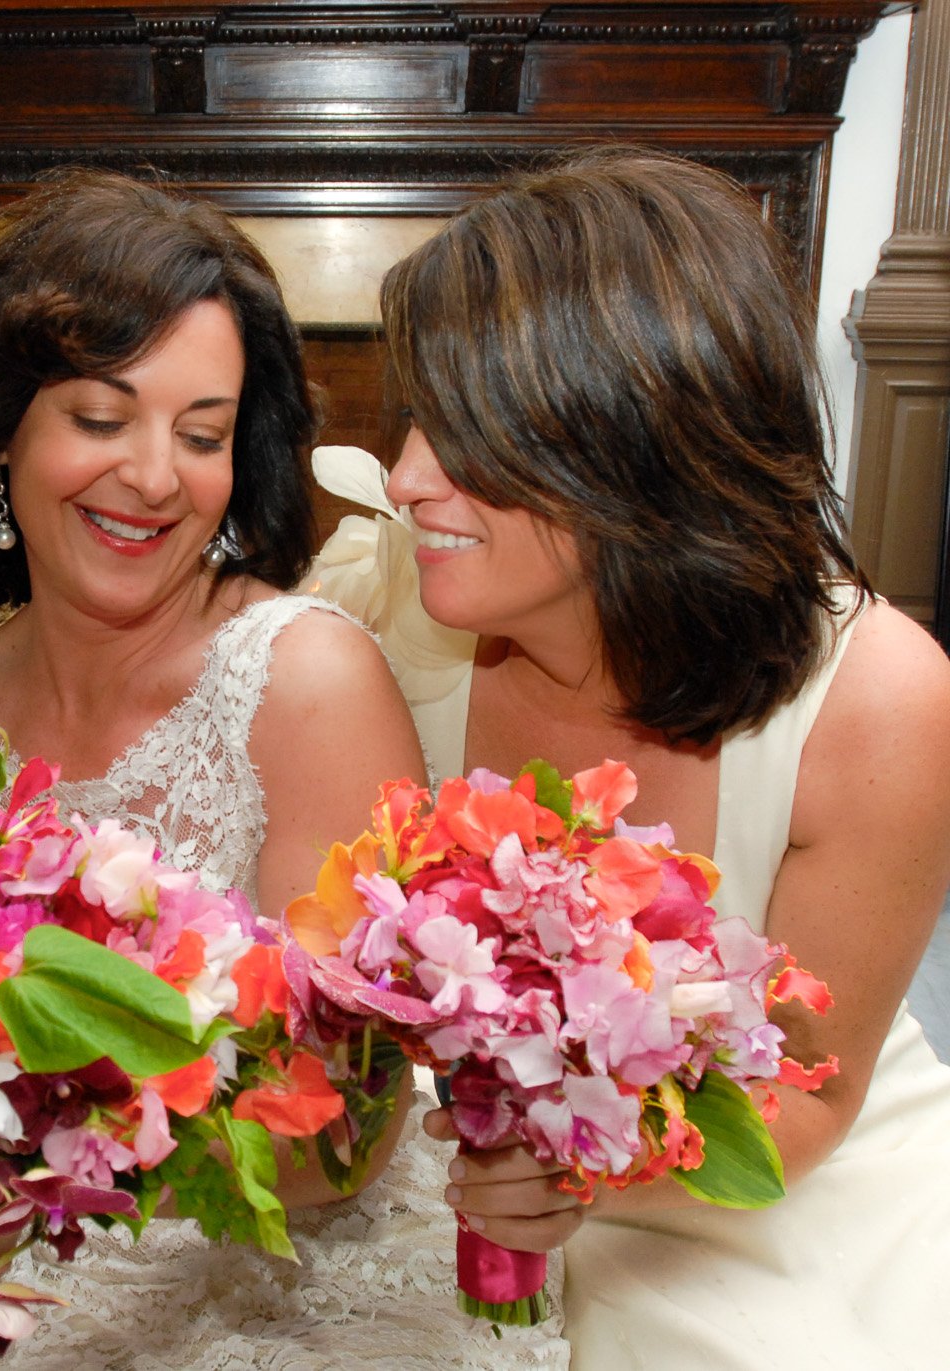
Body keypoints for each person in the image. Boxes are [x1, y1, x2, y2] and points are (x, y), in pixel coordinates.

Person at [0, 169, 566, 1369]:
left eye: (200, 433)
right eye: (100, 420)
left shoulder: (300, 679)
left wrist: (23, 1183)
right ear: (0, 435)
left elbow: (345, 1136)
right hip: (24, 1274)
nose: (155, 476)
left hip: (304, 1271)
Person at [321, 147, 950, 1367]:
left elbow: (810, 1094)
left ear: (627, 438)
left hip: (752, 1195)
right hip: (445, 1172)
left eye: (460, 430)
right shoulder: (381, 623)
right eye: (407, 422)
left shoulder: (876, 699)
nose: (403, 479)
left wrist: (570, 1187)